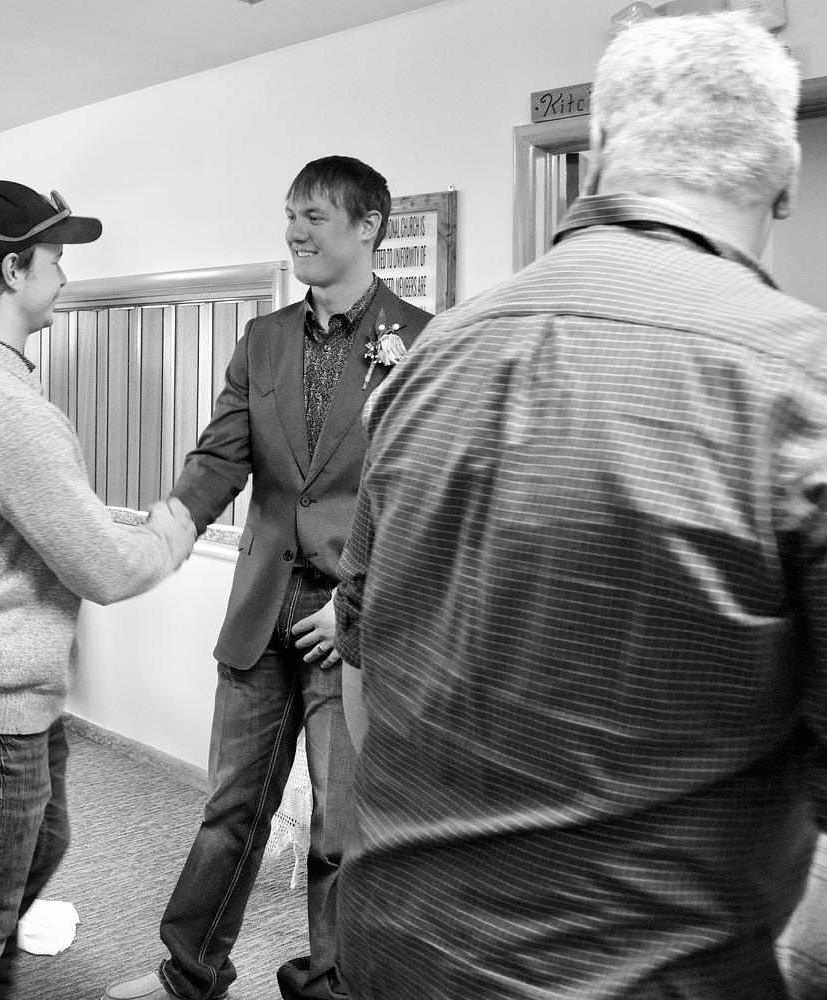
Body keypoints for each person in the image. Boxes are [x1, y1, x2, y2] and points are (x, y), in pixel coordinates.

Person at [332, 13, 825, 999]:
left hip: (391, 950)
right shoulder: (799, 383)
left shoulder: (430, 359)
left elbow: (361, 675)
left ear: (597, 153)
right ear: (785, 177)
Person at [105, 156, 432, 1000]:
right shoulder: (265, 338)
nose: (295, 232)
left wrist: (357, 604)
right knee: (230, 810)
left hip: (346, 622)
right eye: (290, 215)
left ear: (369, 226)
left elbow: (420, 493)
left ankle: (329, 984)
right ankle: (189, 973)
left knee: (339, 828)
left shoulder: (423, 341)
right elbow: (222, 456)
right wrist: (171, 526)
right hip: (261, 607)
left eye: (314, 216)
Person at [0, 179, 197, 1000]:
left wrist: (111, 525)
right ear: (13, 269)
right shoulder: (2, 409)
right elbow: (104, 568)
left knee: (38, 847)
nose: (64, 276)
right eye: (55, 258)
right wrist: (172, 532)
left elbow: (31, 518)